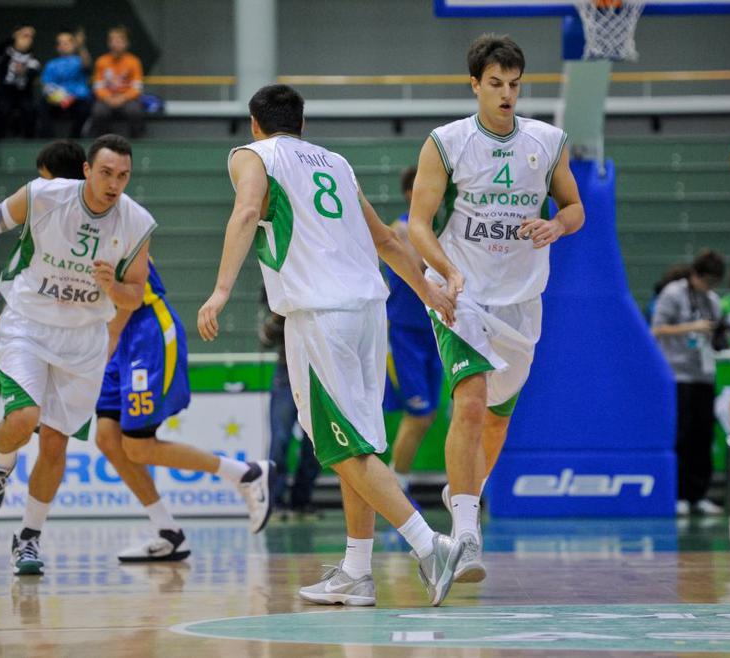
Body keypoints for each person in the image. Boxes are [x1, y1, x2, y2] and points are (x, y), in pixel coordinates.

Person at [197, 83, 463, 607]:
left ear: (255, 124)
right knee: (357, 446)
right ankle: (356, 571)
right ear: (302, 124)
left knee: (340, 447)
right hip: (369, 312)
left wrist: (221, 290)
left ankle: (430, 545)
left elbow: (247, 212)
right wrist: (428, 292)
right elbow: (386, 239)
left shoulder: (253, 154)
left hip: (320, 315)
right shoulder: (336, 163)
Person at [0, 134, 273, 576]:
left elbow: (132, 298)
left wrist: (108, 327)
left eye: (121, 175)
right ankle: (168, 529)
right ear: (85, 173)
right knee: (106, 438)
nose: (113, 183)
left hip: (138, 332)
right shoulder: (48, 202)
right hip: (72, 330)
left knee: (133, 443)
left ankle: (244, 474)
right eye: (106, 173)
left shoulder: (130, 223)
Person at [408, 34, 584, 582]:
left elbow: (575, 207)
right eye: (495, 84)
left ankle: (463, 491)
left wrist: (556, 225)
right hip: (461, 293)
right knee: (470, 401)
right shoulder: (446, 143)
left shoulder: (547, 141)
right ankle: (466, 533)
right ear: (475, 85)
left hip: (521, 300)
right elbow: (418, 225)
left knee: (496, 420)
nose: (506, 94)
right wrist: (448, 269)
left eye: (514, 84)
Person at [382, 166, 444, 502]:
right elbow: (422, 265)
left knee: (428, 414)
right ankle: (395, 489)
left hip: (436, 329)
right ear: (411, 193)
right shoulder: (402, 229)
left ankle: (397, 484)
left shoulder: (441, 228)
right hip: (405, 334)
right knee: (418, 414)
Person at [652, 249, 726, 516]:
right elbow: (656, 329)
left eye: (714, 282)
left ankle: (698, 494)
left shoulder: (713, 301)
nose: (709, 287)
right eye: (706, 280)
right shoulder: (673, 293)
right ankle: (678, 493)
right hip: (678, 375)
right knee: (681, 435)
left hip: (703, 375)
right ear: (695, 274)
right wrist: (690, 327)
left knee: (702, 435)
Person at [260, 306, 321, 518]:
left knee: (316, 442)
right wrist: (281, 313)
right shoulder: (275, 293)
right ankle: (274, 501)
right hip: (286, 373)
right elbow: (265, 338)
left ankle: (302, 500)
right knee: (280, 439)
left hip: (319, 373)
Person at [38, 27, 93, 139]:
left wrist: (81, 46)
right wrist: (59, 97)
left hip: (78, 100)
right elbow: (45, 85)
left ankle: (75, 139)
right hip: (57, 100)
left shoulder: (79, 60)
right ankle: (49, 141)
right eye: (60, 43)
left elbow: (87, 64)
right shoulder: (51, 64)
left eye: (67, 42)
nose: (63, 45)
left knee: (85, 107)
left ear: (74, 44)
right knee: (43, 105)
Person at [90, 26, 144, 138]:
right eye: (112, 40)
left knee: (135, 111)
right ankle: (105, 141)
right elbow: (98, 87)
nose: (115, 44)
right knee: (99, 111)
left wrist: (123, 98)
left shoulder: (134, 61)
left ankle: (135, 141)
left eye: (119, 41)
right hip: (107, 98)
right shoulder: (101, 61)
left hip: (127, 98)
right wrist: (108, 98)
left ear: (126, 43)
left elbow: (137, 88)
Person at [0, 24, 41, 140]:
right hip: (6, 92)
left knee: (30, 110)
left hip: (24, 93)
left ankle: (29, 142)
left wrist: (24, 71)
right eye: (24, 36)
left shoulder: (33, 58)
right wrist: (15, 36)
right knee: (2, 110)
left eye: (30, 37)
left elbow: (33, 72)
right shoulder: (6, 52)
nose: (27, 40)